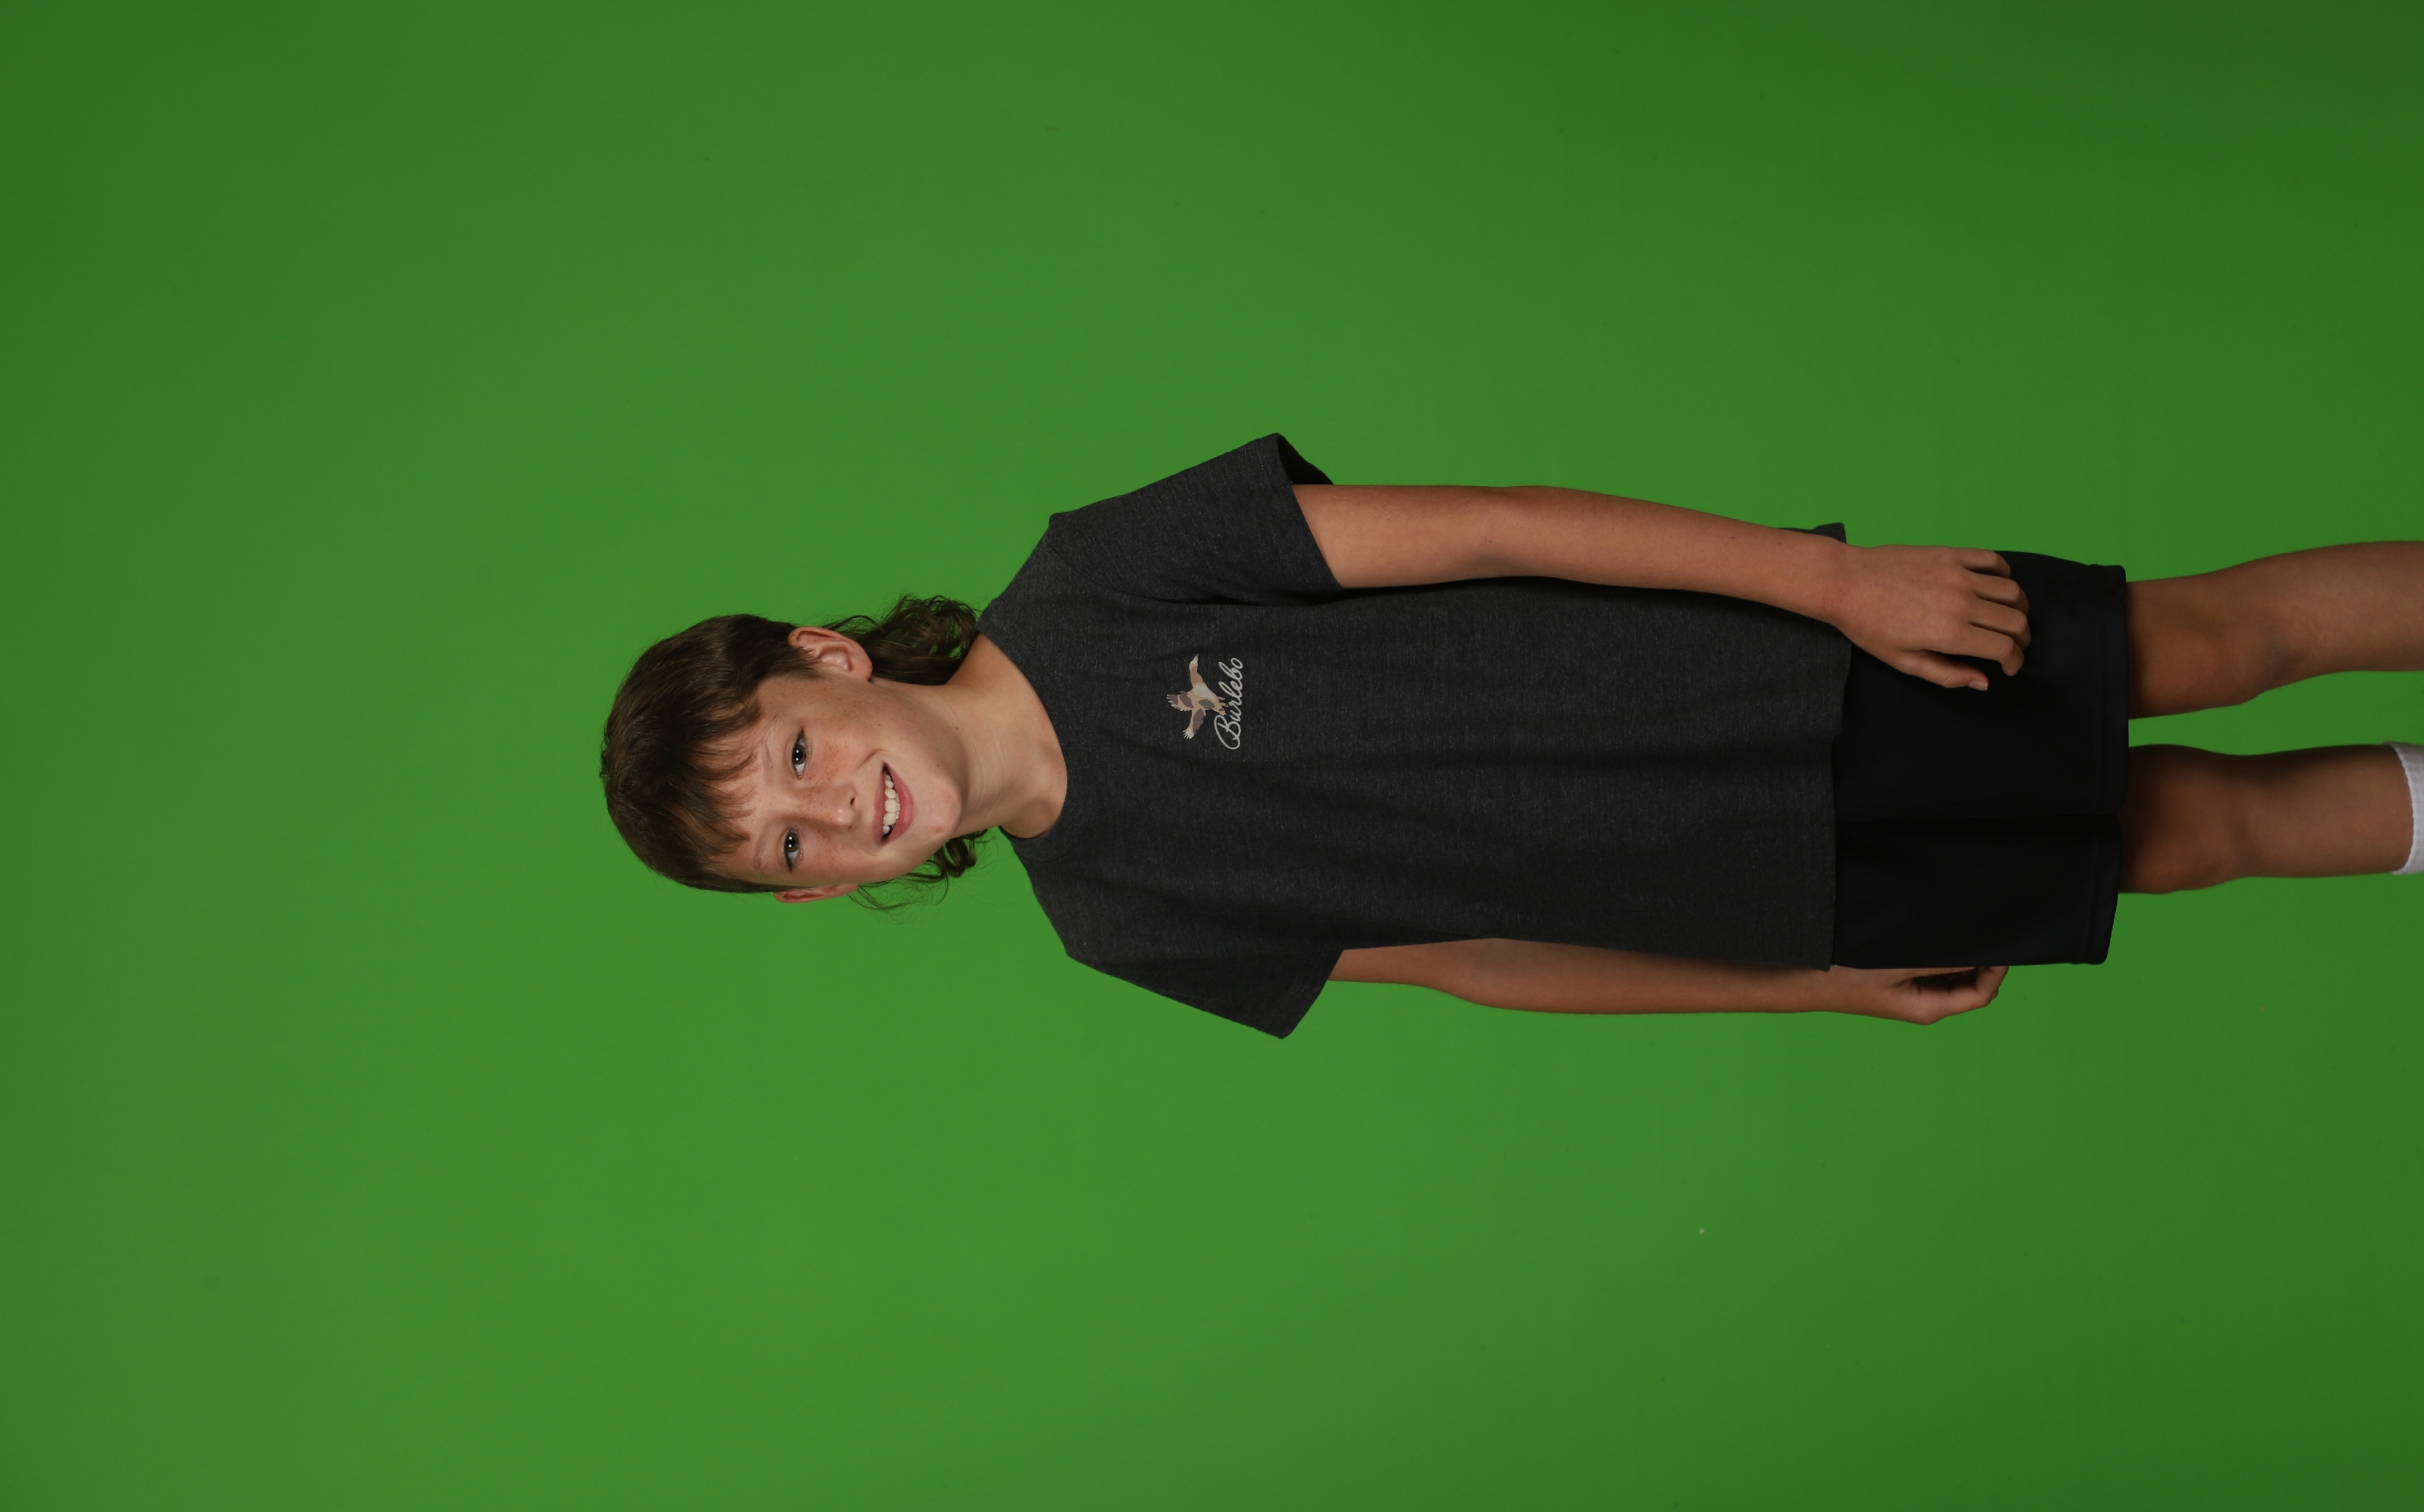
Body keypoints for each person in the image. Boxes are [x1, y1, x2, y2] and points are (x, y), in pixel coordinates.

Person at [601, 436, 2424, 1037]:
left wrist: (1826, 584)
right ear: (814, 893)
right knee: (2191, 837)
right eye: (789, 844)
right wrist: (1803, 988)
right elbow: (1477, 960)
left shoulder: (1099, 576)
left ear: (830, 662)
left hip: (1778, 676)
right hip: (1761, 886)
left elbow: (1488, 528)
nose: (832, 809)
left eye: (796, 758)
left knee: (2213, 644)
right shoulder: (1118, 923)